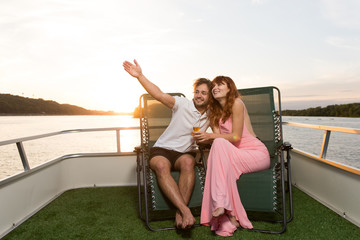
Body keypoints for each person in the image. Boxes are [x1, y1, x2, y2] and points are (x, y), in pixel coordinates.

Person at [123, 59, 211, 229]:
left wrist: (209, 137)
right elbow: (159, 94)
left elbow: (221, 130)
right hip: (162, 149)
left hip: (184, 153)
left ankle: (179, 213)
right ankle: (186, 212)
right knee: (162, 166)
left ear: (209, 96)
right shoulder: (182, 104)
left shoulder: (211, 114)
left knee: (188, 162)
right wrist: (140, 76)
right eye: (197, 91)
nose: (199, 95)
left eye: (204, 93)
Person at [193, 76, 270, 237]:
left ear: (230, 88)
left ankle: (223, 206)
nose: (215, 87)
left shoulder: (237, 103)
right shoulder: (214, 113)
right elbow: (219, 141)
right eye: (213, 86)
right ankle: (228, 215)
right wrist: (206, 137)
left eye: (220, 84)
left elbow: (236, 138)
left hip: (255, 153)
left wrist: (209, 137)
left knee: (218, 145)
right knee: (219, 148)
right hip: (234, 155)